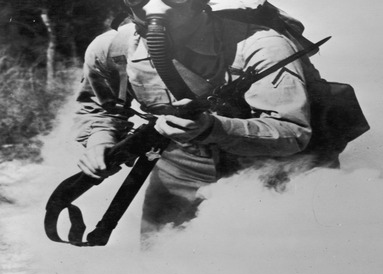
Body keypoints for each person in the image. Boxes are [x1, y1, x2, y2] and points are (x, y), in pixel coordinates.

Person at [74, 0, 322, 239]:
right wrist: (100, 142)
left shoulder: (261, 44)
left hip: (271, 170)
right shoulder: (113, 48)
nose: (154, 6)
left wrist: (214, 128)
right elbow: (100, 109)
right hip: (179, 168)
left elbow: (292, 131)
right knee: (160, 264)